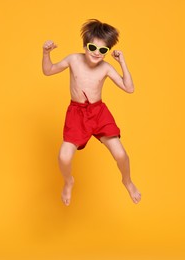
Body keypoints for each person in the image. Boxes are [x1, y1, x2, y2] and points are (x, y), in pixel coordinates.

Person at [42, 19, 141, 206]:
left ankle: (127, 181)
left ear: (107, 52)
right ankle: (68, 181)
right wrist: (46, 53)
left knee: (121, 154)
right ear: (84, 45)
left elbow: (129, 88)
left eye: (103, 50)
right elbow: (48, 71)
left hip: (98, 113)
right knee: (63, 156)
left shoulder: (106, 67)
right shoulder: (73, 59)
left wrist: (122, 62)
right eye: (92, 47)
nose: (96, 53)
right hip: (77, 114)